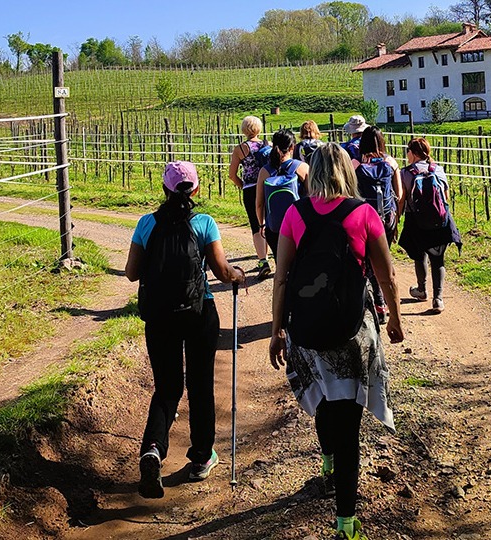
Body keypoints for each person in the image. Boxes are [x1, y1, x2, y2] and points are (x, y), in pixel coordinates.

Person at [268, 144, 404, 540]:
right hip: (352, 332)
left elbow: (281, 277)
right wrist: (395, 319)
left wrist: (277, 330)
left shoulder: (295, 214)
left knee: (324, 400)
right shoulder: (364, 213)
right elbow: (387, 276)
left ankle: (327, 464)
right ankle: (346, 522)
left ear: (312, 173)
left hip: (308, 331)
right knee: (349, 425)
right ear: (348, 172)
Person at [125, 161, 248, 499]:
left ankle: (153, 449)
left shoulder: (147, 223)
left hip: (159, 317)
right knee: (200, 385)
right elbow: (222, 272)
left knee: (166, 388)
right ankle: (201, 458)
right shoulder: (204, 222)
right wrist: (238, 275)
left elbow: (131, 273)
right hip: (198, 313)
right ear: (196, 189)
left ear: (164, 189)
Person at [397, 137, 461, 313]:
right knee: (438, 259)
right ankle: (438, 299)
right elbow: (446, 197)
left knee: (419, 256)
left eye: (408, 151)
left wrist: (397, 218)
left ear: (413, 153)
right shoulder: (438, 169)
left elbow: (402, 200)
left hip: (415, 220)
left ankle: (421, 290)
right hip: (440, 221)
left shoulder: (405, 173)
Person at [354, 126, 404, 323]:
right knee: (383, 258)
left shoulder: (355, 164)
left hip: (364, 220)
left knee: (367, 261)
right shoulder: (391, 162)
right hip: (387, 218)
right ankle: (384, 303)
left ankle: (377, 302)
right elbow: (399, 194)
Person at [228, 116, 273, 279]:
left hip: (251, 189)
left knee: (256, 224)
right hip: (268, 187)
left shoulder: (240, 149)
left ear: (244, 130)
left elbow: (232, 174)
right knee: (270, 222)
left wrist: (243, 185)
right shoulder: (268, 145)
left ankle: (263, 261)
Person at [256, 129, 310, 254]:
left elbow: (259, 203)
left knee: (280, 262)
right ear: (292, 147)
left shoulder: (265, 171)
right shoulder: (302, 168)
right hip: (298, 226)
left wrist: (262, 224)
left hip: (274, 227)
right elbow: (311, 197)